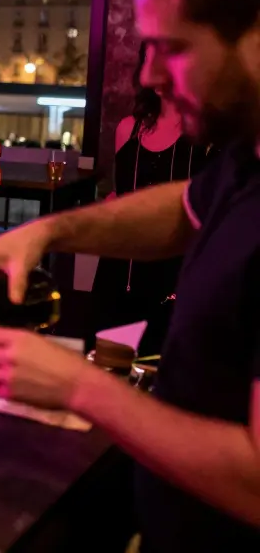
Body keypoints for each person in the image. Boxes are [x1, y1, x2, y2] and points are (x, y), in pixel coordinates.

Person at [0, 0, 260, 553]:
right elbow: (182, 209)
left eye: (170, 47)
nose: (148, 74)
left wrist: (79, 388)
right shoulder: (248, 152)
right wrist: (45, 231)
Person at [90, 40, 210, 355]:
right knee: (108, 364)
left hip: (175, 275)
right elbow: (121, 194)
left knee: (161, 371)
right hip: (120, 270)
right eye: (148, 61)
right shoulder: (128, 129)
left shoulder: (205, 135)